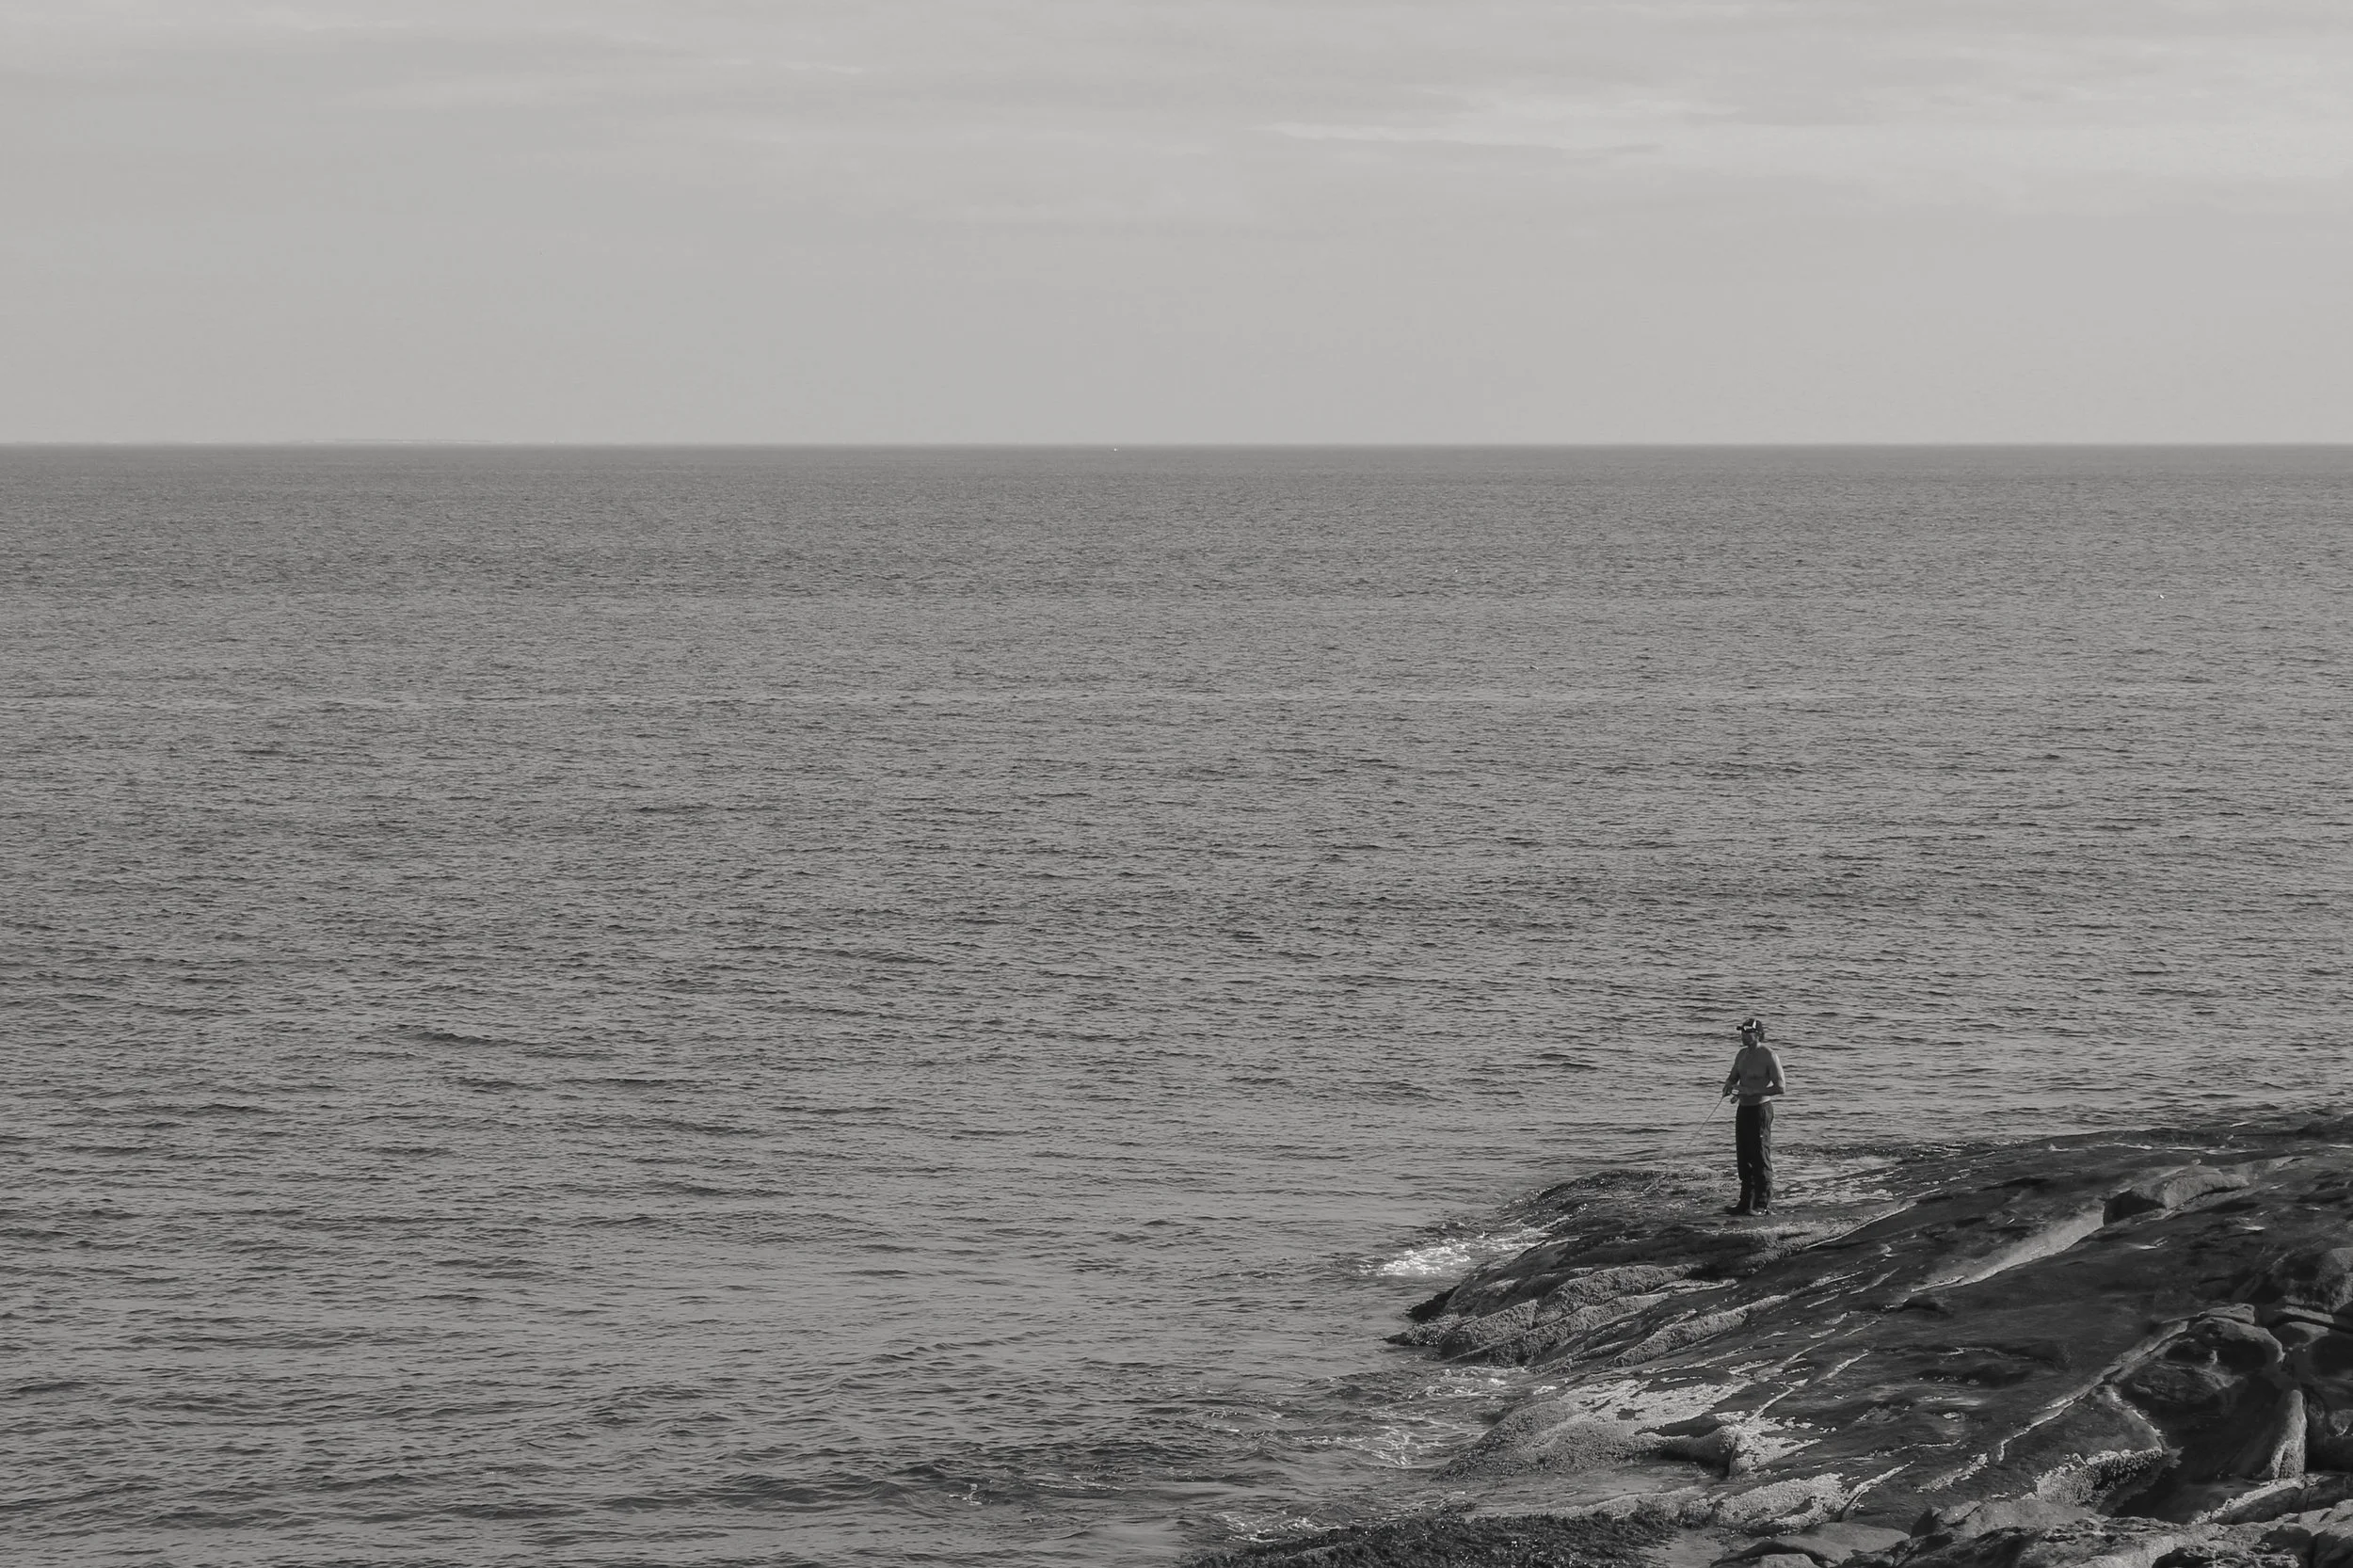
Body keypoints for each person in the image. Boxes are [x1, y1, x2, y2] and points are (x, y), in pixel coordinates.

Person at [1721, 1017, 1785, 1215]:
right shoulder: (1741, 1055)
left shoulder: (1769, 1055)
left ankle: (1762, 1204)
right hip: (1744, 1110)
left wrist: (1751, 1091)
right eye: (1741, 1032)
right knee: (1744, 1157)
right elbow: (1733, 1077)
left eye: (1747, 1032)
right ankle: (1745, 1203)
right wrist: (1728, 1085)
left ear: (1758, 1034)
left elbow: (1781, 1088)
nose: (1743, 1035)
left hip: (1760, 1111)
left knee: (1760, 1157)